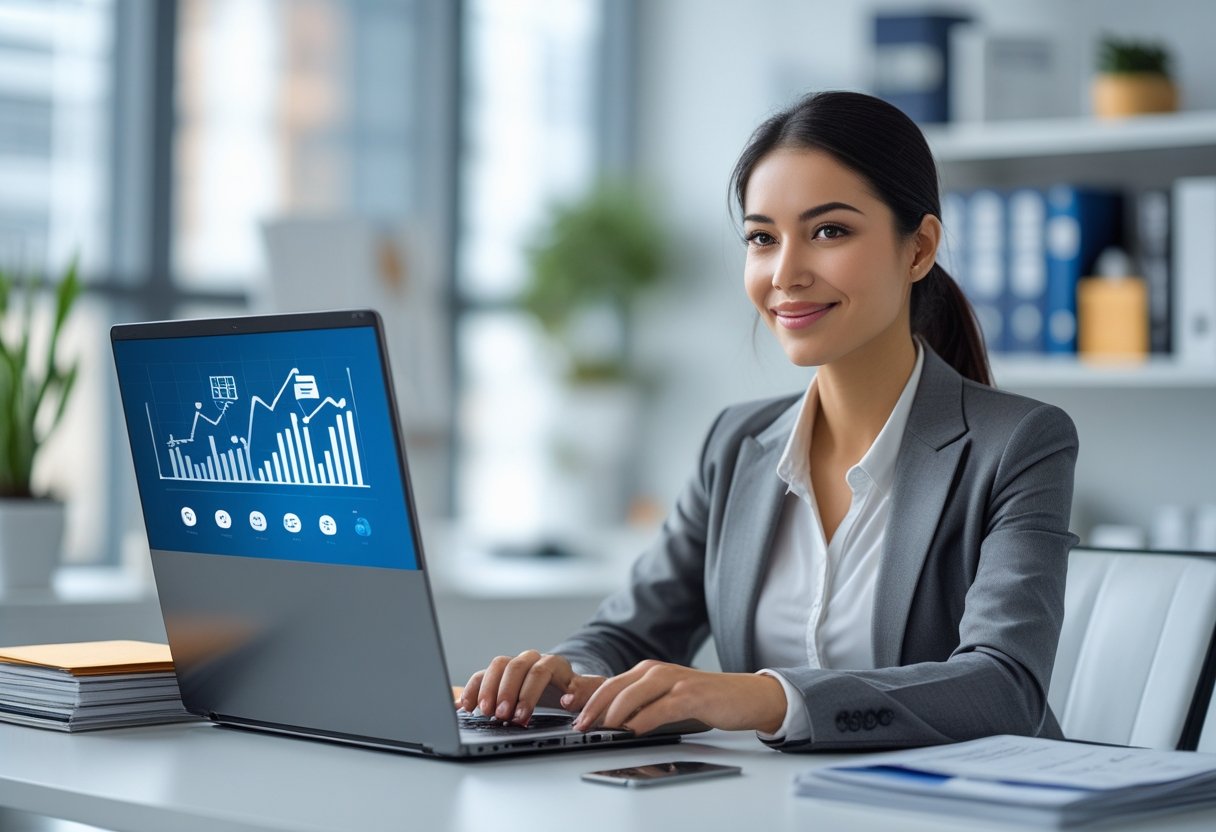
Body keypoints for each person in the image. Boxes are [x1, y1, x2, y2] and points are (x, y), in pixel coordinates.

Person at [458, 90, 1079, 751]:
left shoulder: (1018, 443)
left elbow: (1004, 685)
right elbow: (629, 634)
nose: (785, 273)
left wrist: (765, 697)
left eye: (829, 232)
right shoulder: (738, 443)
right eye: (762, 238)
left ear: (919, 248)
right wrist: (567, 677)